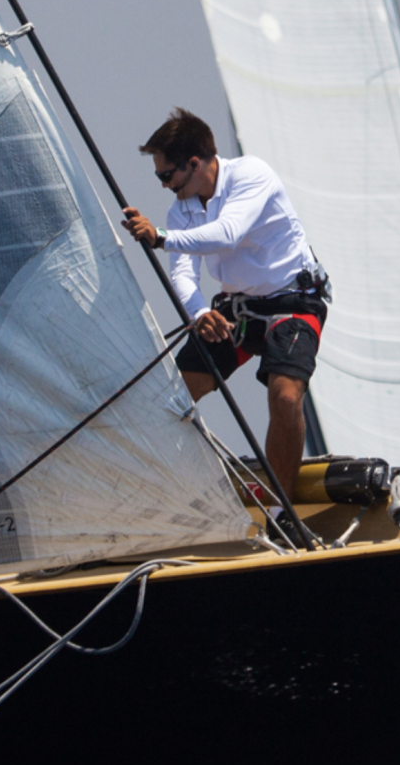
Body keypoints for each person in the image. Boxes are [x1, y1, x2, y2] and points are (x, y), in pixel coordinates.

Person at [121, 108, 329, 510]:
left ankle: (280, 512)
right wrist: (200, 313)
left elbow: (227, 232)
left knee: (286, 398)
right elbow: (184, 273)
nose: (164, 186)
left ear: (194, 163)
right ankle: (152, 501)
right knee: (170, 399)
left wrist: (161, 237)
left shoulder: (251, 174)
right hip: (238, 311)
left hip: (293, 303)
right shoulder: (182, 209)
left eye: (167, 175)